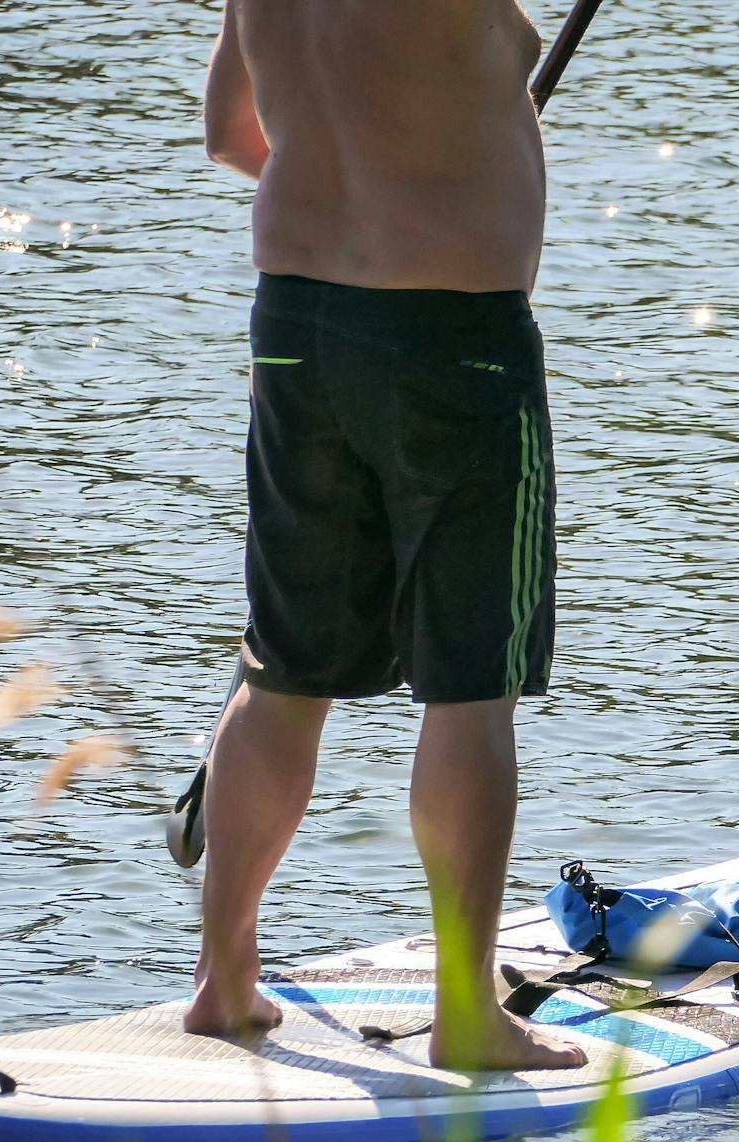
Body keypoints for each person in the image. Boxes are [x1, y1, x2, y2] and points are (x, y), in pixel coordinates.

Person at [186, 0, 586, 1072]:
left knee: (285, 664)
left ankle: (224, 980)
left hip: (298, 329)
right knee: (468, 683)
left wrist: (357, 163)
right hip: (454, 346)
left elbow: (233, 136)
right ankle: (468, 1012)